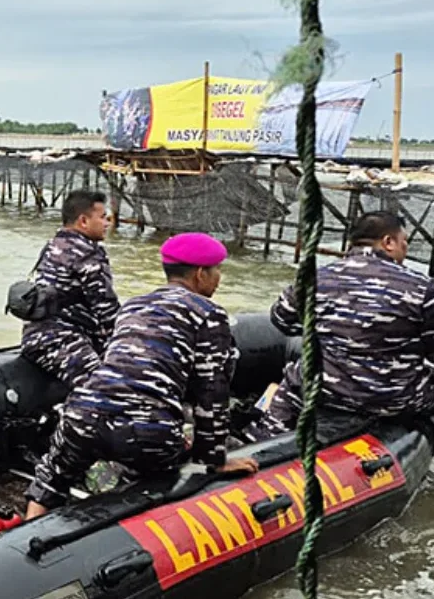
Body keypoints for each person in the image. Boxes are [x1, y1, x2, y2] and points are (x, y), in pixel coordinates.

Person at [25, 232, 258, 519]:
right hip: (147, 428)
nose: (219, 278)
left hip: (81, 412)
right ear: (200, 274)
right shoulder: (209, 314)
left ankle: (26, 535)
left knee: (51, 478)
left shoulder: (133, 306)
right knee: (157, 475)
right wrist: (215, 460)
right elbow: (212, 392)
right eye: (217, 270)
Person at [240, 211, 434, 459]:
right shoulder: (420, 288)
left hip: (324, 390)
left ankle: (259, 442)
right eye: (404, 243)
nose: (405, 250)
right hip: (392, 398)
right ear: (388, 242)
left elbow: (282, 320)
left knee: (293, 381)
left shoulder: (314, 278)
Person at [19, 190, 121, 388]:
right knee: (105, 389)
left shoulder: (53, 245)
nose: (107, 223)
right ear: (83, 221)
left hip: (35, 336)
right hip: (61, 340)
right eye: (102, 218)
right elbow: (107, 311)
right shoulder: (88, 254)